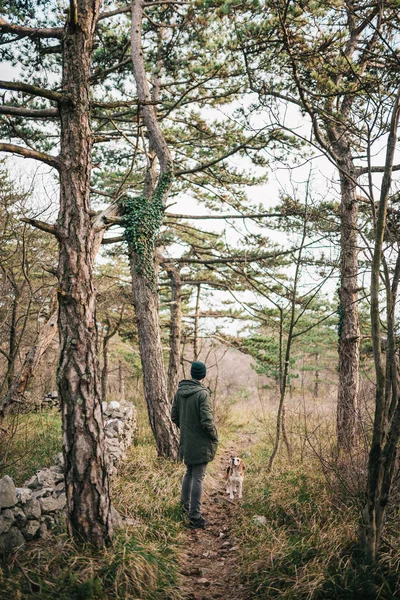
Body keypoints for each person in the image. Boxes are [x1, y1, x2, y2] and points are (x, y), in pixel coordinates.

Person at [171, 360, 218, 529]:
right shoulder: (202, 394)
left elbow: (174, 416)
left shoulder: (180, 392)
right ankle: (195, 516)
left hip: (187, 440)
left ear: (192, 374)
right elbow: (207, 421)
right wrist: (213, 436)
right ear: (203, 376)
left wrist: (186, 429)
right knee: (198, 476)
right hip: (200, 441)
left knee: (189, 473)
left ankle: (184, 509)